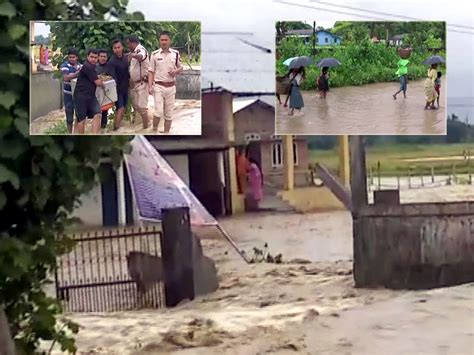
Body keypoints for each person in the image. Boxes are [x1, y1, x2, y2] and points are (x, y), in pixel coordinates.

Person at [148, 31, 184, 133]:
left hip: (171, 87)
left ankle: (166, 133)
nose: (164, 42)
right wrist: (150, 87)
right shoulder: (154, 54)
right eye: (162, 40)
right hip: (158, 86)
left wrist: (175, 71)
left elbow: (181, 68)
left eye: (166, 40)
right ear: (159, 41)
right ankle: (154, 130)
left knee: (168, 114)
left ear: (170, 41)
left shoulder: (176, 54)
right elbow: (151, 71)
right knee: (158, 112)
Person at [73, 48, 104, 134]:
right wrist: (102, 82)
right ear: (87, 57)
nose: (93, 59)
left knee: (98, 114)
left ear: (97, 58)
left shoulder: (93, 67)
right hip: (80, 97)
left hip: (91, 96)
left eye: (95, 57)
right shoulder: (87, 66)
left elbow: (95, 78)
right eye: (91, 57)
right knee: (82, 120)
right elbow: (98, 82)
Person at [127, 34, 150, 129]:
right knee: (136, 107)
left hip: (142, 83)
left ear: (133, 43)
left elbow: (141, 56)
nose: (128, 46)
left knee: (142, 107)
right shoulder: (133, 52)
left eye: (128, 44)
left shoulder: (141, 50)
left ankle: (146, 128)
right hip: (135, 84)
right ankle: (140, 124)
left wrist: (134, 55)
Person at [108, 39, 130, 130]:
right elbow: (113, 77)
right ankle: (116, 129)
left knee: (123, 108)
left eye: (118, 47)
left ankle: (117, 126)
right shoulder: (112, 61)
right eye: (115, 48)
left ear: (122, 47)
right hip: (117, 89)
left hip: (125, 87)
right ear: (113, 49)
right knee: (120, 108)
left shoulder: (125, 57)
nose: (117, 49)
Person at [60, 48, 82, 133]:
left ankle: (76, 133)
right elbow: (66, 78)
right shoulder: (65, 66)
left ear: (77, 57)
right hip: (68, 95)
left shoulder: (80, 66)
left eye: (73, 57)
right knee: (69, 116)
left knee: (79, 116)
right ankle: (69, 133)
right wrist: (77, 73)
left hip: (78, 95)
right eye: (70, 57)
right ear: (68, 58)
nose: (72, 59)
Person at [95, 48, 116, 130]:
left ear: (107, 57)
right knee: (95, 111)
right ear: (98, 57)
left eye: (104, 56)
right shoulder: (94, 66)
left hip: (106, 92)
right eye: (101, 56)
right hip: (95, 92)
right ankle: (95, 129)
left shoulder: (110, 67)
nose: (103, 58)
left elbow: (113, 78)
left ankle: (103, 128)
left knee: (104, 111)